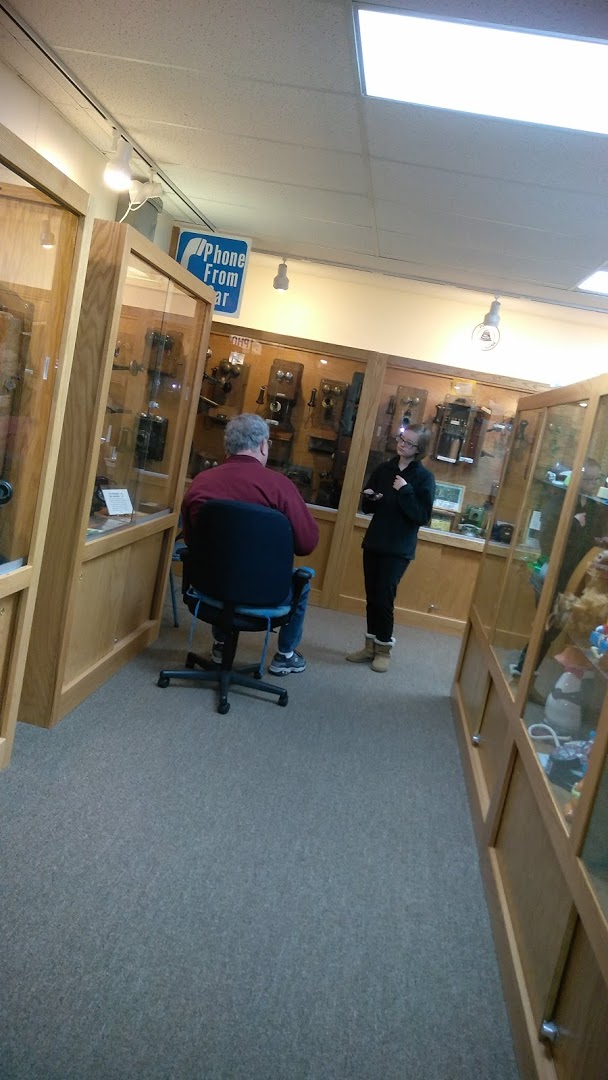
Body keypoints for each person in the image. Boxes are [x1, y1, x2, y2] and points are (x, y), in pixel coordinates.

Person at [181, 413, 319, 675]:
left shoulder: (201, 482)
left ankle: (221, 644)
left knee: (221, 564)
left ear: (228, 446)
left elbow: (190, 540)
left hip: (208, 588)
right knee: (303, 581)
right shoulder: (280, 487)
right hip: (266, 593)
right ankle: (285, 655)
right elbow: (307, 544)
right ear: (264, 445)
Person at [346, 424, 435, 673]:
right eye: (401, 439)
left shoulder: (424, 478)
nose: (402, 444)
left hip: (398, 548)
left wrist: (405, 491)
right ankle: (370, 647)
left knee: (384, 599)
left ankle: (384, 649)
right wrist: (370, 498)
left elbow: (421, 516)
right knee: (372, 597)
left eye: (409, 443)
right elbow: (368, 507)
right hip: (375, 540)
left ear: (419, 449)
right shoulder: (384, 469)